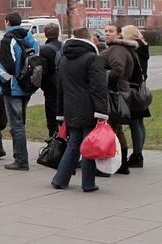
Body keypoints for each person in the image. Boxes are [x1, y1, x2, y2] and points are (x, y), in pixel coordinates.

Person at [51, 28, 109, 192]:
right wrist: (102, 112)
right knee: (89, 145)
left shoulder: (63, 59)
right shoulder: (93, 59)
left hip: (70, 109)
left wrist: (60, 113)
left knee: (74, 144)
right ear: (89, 39)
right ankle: (88, 183)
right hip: (89, 109)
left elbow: (60, 89)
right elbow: (99, 88)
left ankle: (60, 179)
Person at [0, 12, 39, 171]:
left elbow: (7, 66)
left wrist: (2, 82)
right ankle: (21, 158)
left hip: (12, 87)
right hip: (27, 85)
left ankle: (21, 160)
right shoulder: (30, 39)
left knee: (16, 125)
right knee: (21, 123)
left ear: (7, 22)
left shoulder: (8, 39)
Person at [101, 23, 136, 175]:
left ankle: (112, 164)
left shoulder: (117, 49)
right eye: (106, 31)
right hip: (117, 91)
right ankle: (122, 164)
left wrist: (102, 77)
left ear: (119, 34)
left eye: (111, 31)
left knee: (110, 127)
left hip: (114, 93)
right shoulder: (116, 48)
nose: (107, 33)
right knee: (116, 128)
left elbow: (118, 70)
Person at [123, 25, 150, 168]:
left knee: (134, 122)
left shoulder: (134, 50)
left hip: (133, 90)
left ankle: (137, 155)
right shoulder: (143, 48)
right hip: (140, 90)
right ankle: (139, 153)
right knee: (139, 121)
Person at [38, 23, 63, 138]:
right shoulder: (64, 47)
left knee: (52, 119)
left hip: (50, 88)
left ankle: (54, 144)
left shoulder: (44, 50)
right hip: (64, 86)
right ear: (58, 33)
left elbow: (43, 72)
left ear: (45, 34)